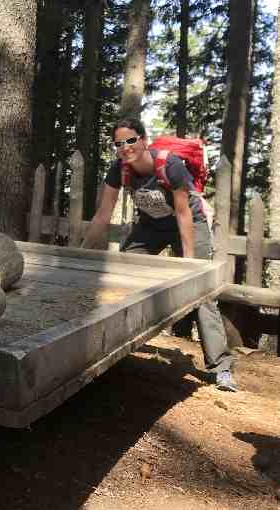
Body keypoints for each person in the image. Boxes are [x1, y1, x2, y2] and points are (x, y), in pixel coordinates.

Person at [82, 117, 237, 392]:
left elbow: (183, 213)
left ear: (143, 140)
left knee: (201, 292)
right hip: (151, 226)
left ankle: (221, 368)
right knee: (122, 273)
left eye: (130, 140)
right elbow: (103, 215)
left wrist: (190, 265)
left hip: (189, 226)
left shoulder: (170, 165)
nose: (125, 147)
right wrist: (83, 254)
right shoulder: (119, 170)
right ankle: (112, 350)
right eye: (119, 143)